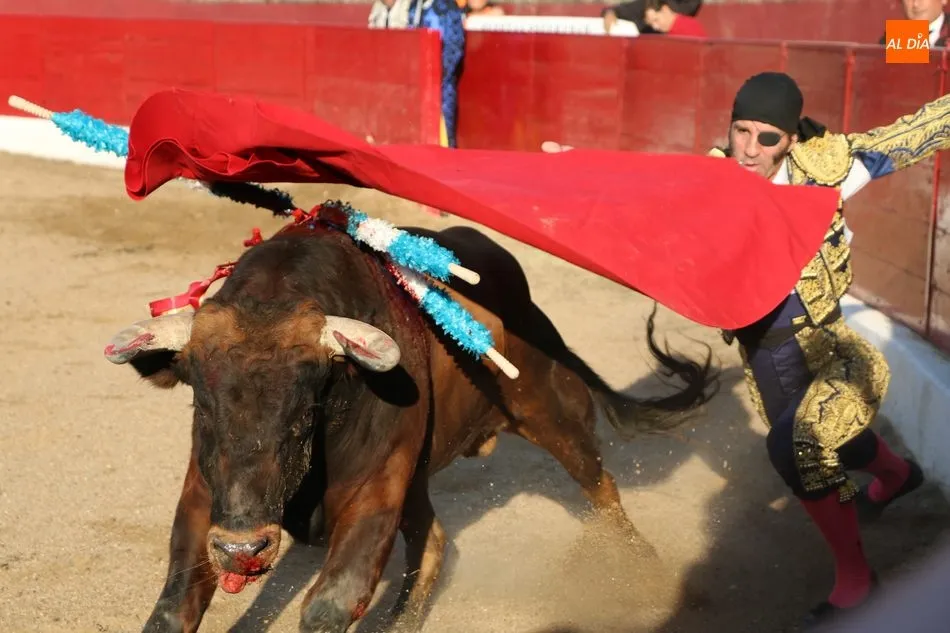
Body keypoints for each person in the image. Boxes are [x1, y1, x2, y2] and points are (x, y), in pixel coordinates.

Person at [544, 71, 950, 628]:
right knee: (829, 439)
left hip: (833, 353)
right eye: (741, 131)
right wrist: (573, 168)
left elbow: (919, 131)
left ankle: (857, 581)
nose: (750, 149)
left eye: (767, 137)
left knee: (798, 447)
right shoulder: (713, 179)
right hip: (766, 364)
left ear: (791, 139)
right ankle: (898, 475)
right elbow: (641, 187)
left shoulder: (828, 169)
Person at [368, 0, 466, 148]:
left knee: (440, 141)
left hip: (438, 89)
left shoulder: (447, 6)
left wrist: (432, 77)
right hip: (414, 88)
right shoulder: (415, 5)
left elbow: (453, 51)